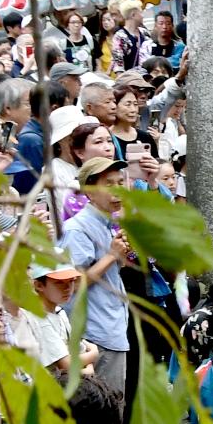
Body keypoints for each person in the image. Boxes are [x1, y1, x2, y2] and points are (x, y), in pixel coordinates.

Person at [61, 157, 133, 390]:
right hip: (97, 334)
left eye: (120, 182)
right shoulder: (77, 229)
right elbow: (70, 284)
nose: (117, 190)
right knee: (105, 410)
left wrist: (118, 256)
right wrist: (112, 255)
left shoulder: (106, 224)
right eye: (108, 184)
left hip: (109, 327)